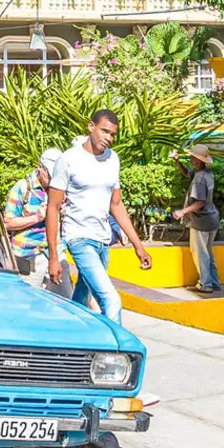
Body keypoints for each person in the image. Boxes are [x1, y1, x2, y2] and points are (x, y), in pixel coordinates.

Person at [45, 109, 154, 322]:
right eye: (104, 131)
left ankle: (71, 345)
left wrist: (138, 246)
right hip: (79, 238)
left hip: (103, 240)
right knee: (111, 299)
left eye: (112, 134)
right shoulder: (68, 159)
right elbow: (53, 207)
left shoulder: (113, 159)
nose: (108, 138)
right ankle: (118, 352)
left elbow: (116, 204)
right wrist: (53, 256)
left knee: (81, 298)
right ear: (91, 126)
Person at [3, 149, 71, 295]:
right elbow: (7, 223)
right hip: (30, 255)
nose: (53, 179)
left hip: (56, 252)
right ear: (40, 166)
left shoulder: (60, 188)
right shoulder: (22, 188)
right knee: (29, 302)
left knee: (64, 299)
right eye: (49, 174)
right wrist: (36, 218)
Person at [171, 143, 222, 294]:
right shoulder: (206, 173)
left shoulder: (200, 180)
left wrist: (182, 212)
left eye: (193, 157)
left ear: (198, 161)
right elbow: (187, 173)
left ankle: (205, 284)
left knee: (200, 254)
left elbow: (200, 202)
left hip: (201, 221)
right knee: (208, 253)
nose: (191, 159)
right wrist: (177, 161)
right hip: (212, 219)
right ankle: (214, 282)